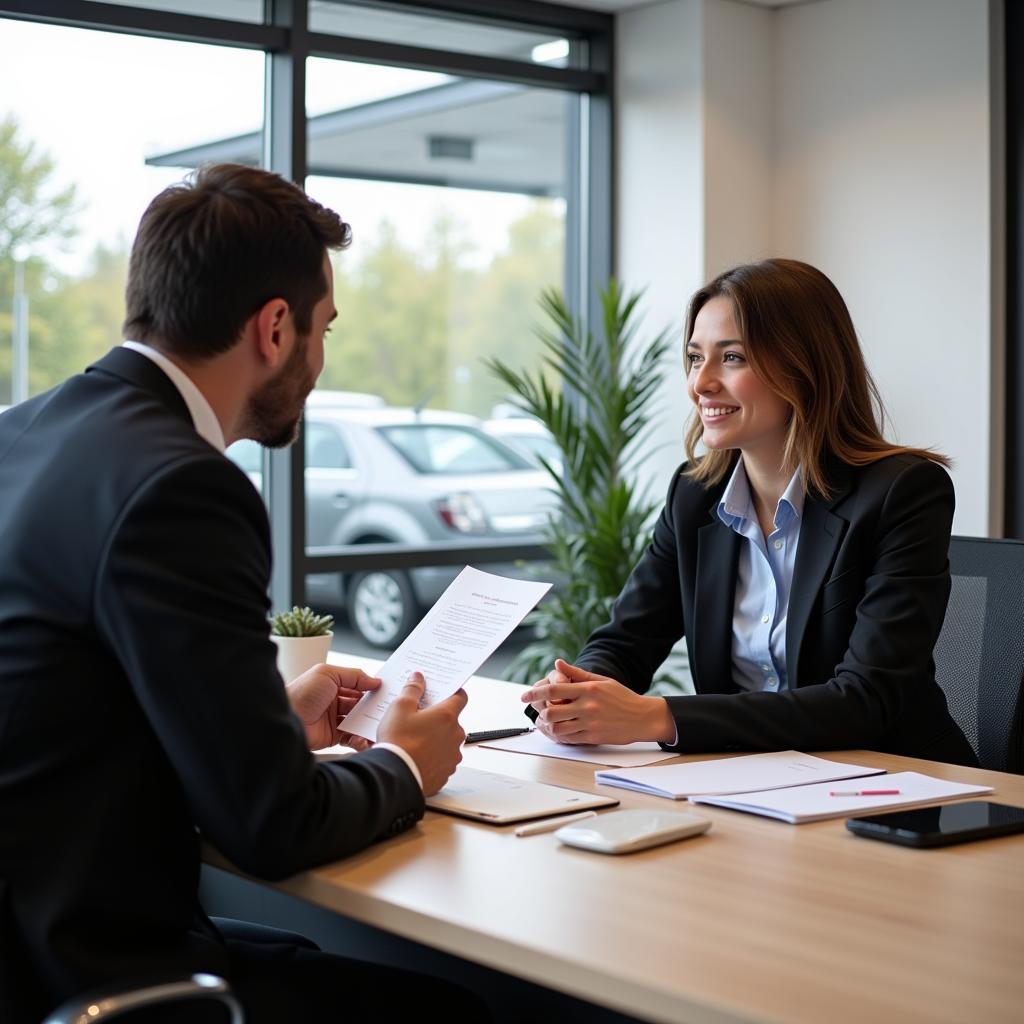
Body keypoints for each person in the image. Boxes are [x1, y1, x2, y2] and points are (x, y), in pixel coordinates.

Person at [0, 164, 485, 1023]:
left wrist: (264, 716)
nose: (321, 357)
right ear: (273, 327)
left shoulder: (22, 435)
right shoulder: (181, 486)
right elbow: (273, 825)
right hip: (97, 976)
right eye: (322, 328)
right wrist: (408, 763)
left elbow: (67, 702)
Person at [522, 258, 976, 767]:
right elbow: (627, 640)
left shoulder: (903, 493)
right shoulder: (693, 496)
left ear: (805, 366)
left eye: (732, 357)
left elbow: (868, 698)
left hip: (895, 787)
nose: (701, 384)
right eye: (695, 358)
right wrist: (578, 689)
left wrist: (660, 718)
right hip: (749, 783)